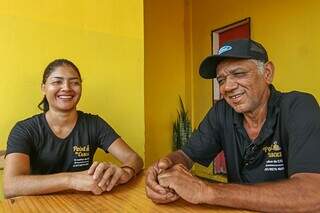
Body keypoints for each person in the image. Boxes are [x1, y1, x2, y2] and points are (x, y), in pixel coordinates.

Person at [145, 39, 320, 212]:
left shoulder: (299, 107)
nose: (227, 87)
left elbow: (313, 194)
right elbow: (187, 154)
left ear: (267, 73)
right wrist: (167, 165)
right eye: (221, 80)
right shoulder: (222, 112)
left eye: (239, 74)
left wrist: (206, 191)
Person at [4, 59, 143, 198]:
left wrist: (126, 171)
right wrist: (70, 180)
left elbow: (134, 158)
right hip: (39, 206)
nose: (67, 88)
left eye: (74, 82)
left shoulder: (94, 124)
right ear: (43, 88)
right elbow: (11, 186)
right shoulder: (24, 129)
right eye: (57, 82)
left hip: (84, 204)